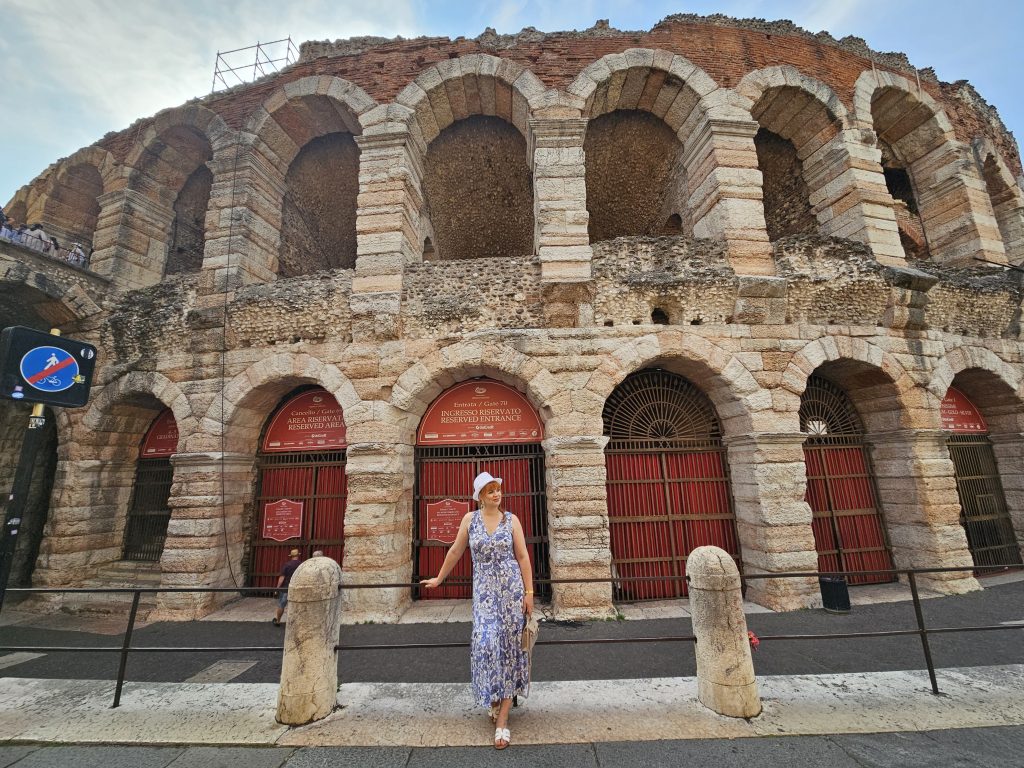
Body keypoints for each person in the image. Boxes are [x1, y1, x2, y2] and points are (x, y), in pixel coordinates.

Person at [420, 471, 534, 750]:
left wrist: (529, 593)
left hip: (511, 593)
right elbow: (455, 552)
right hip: (484, 596)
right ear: (480, 496)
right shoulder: (469, 520)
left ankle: (502, 719)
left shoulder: (512, 520)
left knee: (509, 650)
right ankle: (494, 699)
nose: (497, 494)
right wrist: (438, 578)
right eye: (490, 490)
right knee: (485, 644)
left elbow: (522, 556)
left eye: (498, 489)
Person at [273, 548, 302, 626]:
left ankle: (278, 621)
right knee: (297, 605)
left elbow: (282, 577)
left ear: (291, 556)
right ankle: (296, 623)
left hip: (286, 588)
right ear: (298, 555)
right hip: (297, 588)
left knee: (281, 605)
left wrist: (277, 588)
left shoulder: (287, 565)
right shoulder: (301, 565)